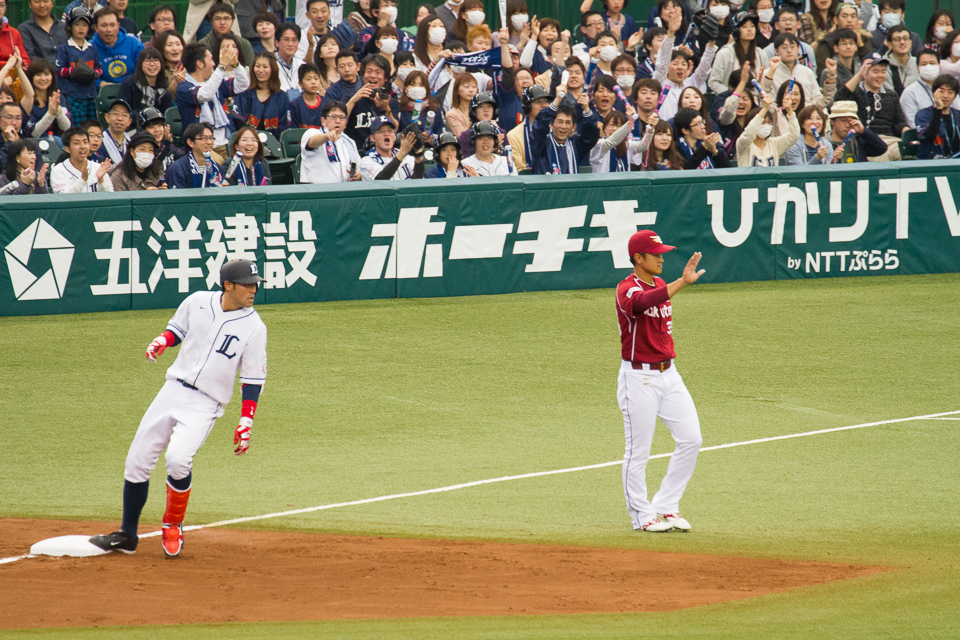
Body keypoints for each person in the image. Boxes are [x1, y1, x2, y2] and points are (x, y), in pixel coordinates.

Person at [88, 258, 268, 557]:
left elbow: (252, 379)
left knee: (178, 459)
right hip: (171, 390)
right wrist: (161, 341)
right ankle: (127, 535)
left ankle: (172, 523)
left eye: (255, 285)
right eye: (247, 284)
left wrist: (246, 420)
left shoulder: (254, 327)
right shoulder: (197, 302)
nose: (253, 290)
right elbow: (177, 331)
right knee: (137, 460)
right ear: (228, 286)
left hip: (205, 402)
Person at [616, 229, 705, 533]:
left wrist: (675, 284)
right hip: (638, 378)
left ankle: (666, 505)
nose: (661, 259)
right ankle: (641, 514)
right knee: (638, 452)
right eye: (655, 255)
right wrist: (683, 283)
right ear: (637, 258)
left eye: (662, 254)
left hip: (670, 375)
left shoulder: (663, 284)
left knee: (692, 439)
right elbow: (642, 302)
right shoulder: (626, 289)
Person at [177, 42, 249, 161]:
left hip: (225, 144)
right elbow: (205, 94)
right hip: (200, 148)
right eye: (211, 60)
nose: (214, 64)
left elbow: (243, 85)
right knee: (221, 165)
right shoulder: (183, 88)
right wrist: (222, 67)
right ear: (200, 64)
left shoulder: (215, 83)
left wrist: (236, 64)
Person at [835, 52, 907, 160]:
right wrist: (859, 74)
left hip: (891, 140)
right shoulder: (855, 92)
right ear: (865, 73)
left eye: (883, 71)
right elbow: (839, 98)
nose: (880, 75)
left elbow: (899, 122)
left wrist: (906, 131)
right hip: (868, 140)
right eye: (875, 71)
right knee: (883, 155)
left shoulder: (891, 95)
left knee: (906, 151)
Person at [655, 11, 718, 121]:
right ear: (668, 68)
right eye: (675, 63)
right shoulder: (660, 83)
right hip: (667, 132)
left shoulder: (691, 83)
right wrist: (670, 33)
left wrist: (711, 43)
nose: (680, 67)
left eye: (683, 64)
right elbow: (662, 64)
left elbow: (704, 69)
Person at [529, 83, 600, 175]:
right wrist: (557, 99)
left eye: (567, 123)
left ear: (573, 127)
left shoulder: (576, 146)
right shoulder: (541, 145)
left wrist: (586, 108)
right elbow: (540, 126)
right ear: (551, 125)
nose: (563, 126)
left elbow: (591, 135)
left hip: (573, 189)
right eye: (560, 122)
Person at [342, 53, 399, 149]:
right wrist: (353, 100)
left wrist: (385, 108)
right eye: (369, 71)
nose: (372, 76)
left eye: (378, 72)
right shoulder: (351, 98)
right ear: (362, 75)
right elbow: (339, 121)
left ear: (385, 78)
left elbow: (395, 129)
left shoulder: (392, 102)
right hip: (356, 152)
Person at [708, 11, 768, 95]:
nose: (750, 29)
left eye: (752, 26)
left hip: (755, 102)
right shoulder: (724, 53)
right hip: (730, 100)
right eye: (744, 26)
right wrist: (733, 95)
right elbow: (713, 82)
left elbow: (766, 83)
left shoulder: (761, 54)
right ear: (736, 30)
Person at [299, 99, 359, 182]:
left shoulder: (350, 142)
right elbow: (312, 142)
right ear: (323, 121)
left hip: (345, 190)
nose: (338, 121)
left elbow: (358, 167)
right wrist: (326, 136)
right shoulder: (313, 133)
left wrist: (358, 175)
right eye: (333, 117)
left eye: (341, 118)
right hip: (317, 191)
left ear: (346, 122)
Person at [234, 51, 291, 137]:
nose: (261, 70)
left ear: (273, 69)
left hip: (273, 146)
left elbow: (284, 129)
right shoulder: (244, 94)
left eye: (265, 67)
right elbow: (238, 124)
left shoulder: (281, 97)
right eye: (257, 66)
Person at [901, 47, 960, 129]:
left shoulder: (949, 88)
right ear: (918, 68)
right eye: (924, 64)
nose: (928, 67)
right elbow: (913, 124)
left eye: (932, 63)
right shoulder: (910, 92)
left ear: (939, 66)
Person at [736, 92, 799, 166]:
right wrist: (765, 109)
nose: (766, 125)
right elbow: (749, 133)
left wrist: (790, 111)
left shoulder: (774, 144)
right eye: (762, 122)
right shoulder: (743, 145)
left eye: (769, 122)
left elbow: (794, 135)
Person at [358, 115, 424, 180]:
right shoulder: (366, 161)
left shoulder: (407, 158)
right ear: (373, 138)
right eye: (381, 131)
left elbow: (417, 182)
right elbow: (380, 179)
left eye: (390, 131)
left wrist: (419, 156)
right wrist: (402, 152)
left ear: (394, 136)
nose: (386, 134)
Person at [50, 125, 113, 192]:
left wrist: (101, 181)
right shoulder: (58, 170)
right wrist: (82, 180)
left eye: (85, 142)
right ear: (67, 148)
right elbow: (63, 198)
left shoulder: (98, 168)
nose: (82, 146)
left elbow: (111, 197)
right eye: (77, 143)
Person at [91, 7, 144, 85]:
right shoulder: (90, 47)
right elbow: (87, 77)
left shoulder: (134, 43)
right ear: (96, 28)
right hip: (102, 93)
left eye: (112, 25)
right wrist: (101, 84)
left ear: (118, 26)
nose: (109, 29)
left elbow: (145, 69)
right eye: (104, 25)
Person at [165, 122, 226, 188]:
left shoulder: (217, 168)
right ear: (190, 142)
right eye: (204, 138)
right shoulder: (178, 169)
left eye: (211, 138)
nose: (209, 142)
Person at [118, 48, 174, 117]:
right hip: (133, 124)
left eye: (156, 60)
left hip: (157, 126)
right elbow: (123, 108)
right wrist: (145, 118)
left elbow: (167, 114)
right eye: (147, 61)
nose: (152, 64)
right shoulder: (129, 83)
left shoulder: (164, 88)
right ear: (140, 64)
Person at [762, 6, 816, 76]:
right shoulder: (767, 51)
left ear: (798, 24)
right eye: (784, 20)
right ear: (776, 25)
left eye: (791, 20)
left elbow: (813, 75)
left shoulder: (808, 49)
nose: (788, 23)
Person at [298, 0, 357, 64]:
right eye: (314, 12)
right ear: (307, 15)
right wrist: (311, 46)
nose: (319, 15)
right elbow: (302, 67)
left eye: (323, 11)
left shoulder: (337, 34)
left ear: (329, 13)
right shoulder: (301, 36)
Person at [916, 74, 960, 159]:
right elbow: (929, 136)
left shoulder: (958, 115)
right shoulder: (923, 114)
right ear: (934, 93)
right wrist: (938, 110)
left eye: (950, 92)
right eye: (941, 91)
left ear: (955, 96)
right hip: (930, 162)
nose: (945, 96)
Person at [25, 58, 71, 138]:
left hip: (56, 141)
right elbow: (34, 134)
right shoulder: (26, 99)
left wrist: (58, 111)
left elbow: (66, 127)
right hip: (32, 143)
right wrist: (50, 114)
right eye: (38, 75)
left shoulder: (57, 96)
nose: (43, 78)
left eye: (46, 74)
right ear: (31, 77)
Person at [200, 4, 256, 69]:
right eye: (217, 19)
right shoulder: (203, 45)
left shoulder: (244, 43)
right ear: (211, 22)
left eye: (226, 18)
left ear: (232, 21)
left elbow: (250, 68)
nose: (222, 22)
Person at [590, 106, 645, 173]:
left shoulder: (627, 145)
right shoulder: (599, 144)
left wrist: (650, 129)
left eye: (619, 125)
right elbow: (612, 142)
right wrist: (630, 123)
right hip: (603, 183)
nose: (615, 129)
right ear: (604, 128)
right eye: (611, 125)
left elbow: (644, 146)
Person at [507, 83, 548, 172]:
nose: (544, 105)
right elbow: (520, 170)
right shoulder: (514, 135)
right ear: (527, 106)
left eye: (546, 101)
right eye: (538, 101)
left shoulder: (556, 130)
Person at [19, 0, 69, 64]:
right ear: (30, 4)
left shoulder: (64, 27)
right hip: (39, 72)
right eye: (37, 1)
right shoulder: (24, 29)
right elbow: (29, 57)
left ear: (52, 3)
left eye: (46, 1)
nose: (42, 5)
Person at [139, 106, 182, 170]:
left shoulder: (169, 146)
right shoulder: (141, 149)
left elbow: (182, 157)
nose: (157, 130)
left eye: (159, 125)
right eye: (151, 127)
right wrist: (166, 143)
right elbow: (154, 165)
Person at [96, 98, 132, 163]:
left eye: (124, 115)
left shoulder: (132, 143)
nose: (120, 118)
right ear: (107, 117)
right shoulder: (99, 142)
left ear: (129, 122)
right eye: (115, 114)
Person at [290, 63, 324, 128]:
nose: (313, 82)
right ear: (300, 84)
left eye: (316, 78)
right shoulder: (295, 105)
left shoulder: (327, 103)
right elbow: (293, 132)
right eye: (308, 79)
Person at [275, 23, 303, 100]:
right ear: (277, 42)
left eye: (294, 40)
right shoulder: (269, 65)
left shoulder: (302, 65)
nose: (290, 44)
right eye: (286, 40)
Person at [155, 30, 186, 94]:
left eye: (178, 44)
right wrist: (175, 83)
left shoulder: (190, 69)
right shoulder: (156, 73)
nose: (175, 48)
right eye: (169, 45)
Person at [312, 33, 340, 98]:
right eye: (325, 45)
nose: (330, 47)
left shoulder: (346, 69)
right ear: (320, 54)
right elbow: (323, 96)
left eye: (333, 44)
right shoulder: (316, 74)